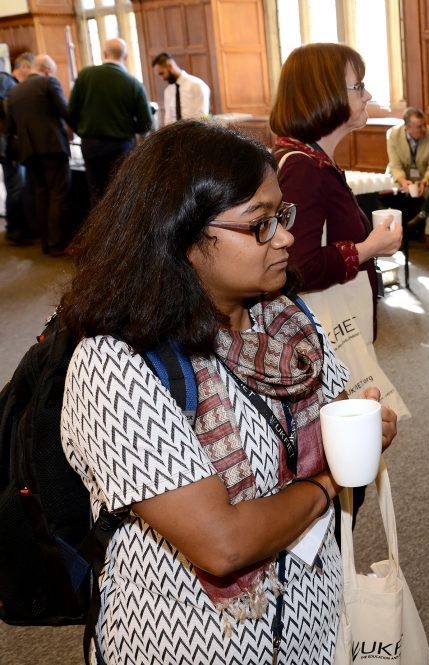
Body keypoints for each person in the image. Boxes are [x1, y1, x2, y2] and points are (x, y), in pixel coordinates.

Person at [59, 120, 397, 664]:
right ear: (183, 236)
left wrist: (366, 426)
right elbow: (223, 544)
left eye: (281, 215)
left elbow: (337, 410)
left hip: (311, 616)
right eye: (260, 224)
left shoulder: (285, 318)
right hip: (191, 637)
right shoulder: (116, 364)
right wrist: (329, 479)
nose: (286, 236)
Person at [268, 43, 402, 334]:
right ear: (325, 93)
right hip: (324, 336)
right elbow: (299, 267)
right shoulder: (302, 169)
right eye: (359, 86)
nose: (368, 95)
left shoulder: (314, 161)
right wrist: (369, 248)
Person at [68, 37, 153, 205]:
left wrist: (83, 130)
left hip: (90, 144)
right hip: (121, 146)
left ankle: (97, 230)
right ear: (126, 56)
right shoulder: (133, 83)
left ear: (104, 53)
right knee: (120, 192)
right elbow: (146, 123)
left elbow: (71, 112)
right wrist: (129, 129)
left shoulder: (85, 75)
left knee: (96, 192)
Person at [4, 54, 71, 255]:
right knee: (58, 194)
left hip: (28, 151)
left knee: (40, 194)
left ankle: (45, 242)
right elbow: (65, 112)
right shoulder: (48, 82)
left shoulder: (14, 91)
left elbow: (10, 127)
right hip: (52, 147)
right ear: (48, 70)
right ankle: (56, 243)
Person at [386, 107, 429, 247]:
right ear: (407, 128)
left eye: (425, 124)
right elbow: (395, 165)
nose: (424, 129)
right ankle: (394, 234)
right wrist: (403, 181)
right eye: (419, 126)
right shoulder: (393, 135)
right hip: (401, 176)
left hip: (425, 176)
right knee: (388, 192)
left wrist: (424, 181)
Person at [1, 51, 34, 245]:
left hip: (10, 145)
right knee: (15, 186)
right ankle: (14, 229)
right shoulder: (6, 82)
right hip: (9, 147)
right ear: (24, 67)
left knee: (16, 185)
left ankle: (17, 227)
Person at [151, 52, 211, 126]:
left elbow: (202, 117)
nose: (162, 78)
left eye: (162, 73)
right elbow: (168, 119)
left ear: (169, 66)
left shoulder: (197, 85)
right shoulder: (168, 91)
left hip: (193, 133)